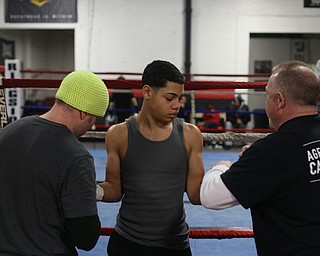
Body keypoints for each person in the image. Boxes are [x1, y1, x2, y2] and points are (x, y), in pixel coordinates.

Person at [200, 60, 320, 256]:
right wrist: (257, 161)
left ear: (280, 101)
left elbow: (210, 197)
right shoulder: (270, 152)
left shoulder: (273, 150)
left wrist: (221, 167)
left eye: (267, 95)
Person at [96, 60, 204, 256]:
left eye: (180, 99)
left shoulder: (190, 135)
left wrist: (229, 176)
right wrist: (87, 189)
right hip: (128, 242)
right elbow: (113, 189)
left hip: (174, 244)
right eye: (170, 98)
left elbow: (196, 195)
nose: (177, 105)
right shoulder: (119, 134)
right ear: (147, 92)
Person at [0, 70, 109, 255]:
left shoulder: (8, 132)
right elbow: (85, 238)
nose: (91, 126)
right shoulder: (77, 157)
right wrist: (84, 192)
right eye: (93, 118)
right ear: (83, 113)